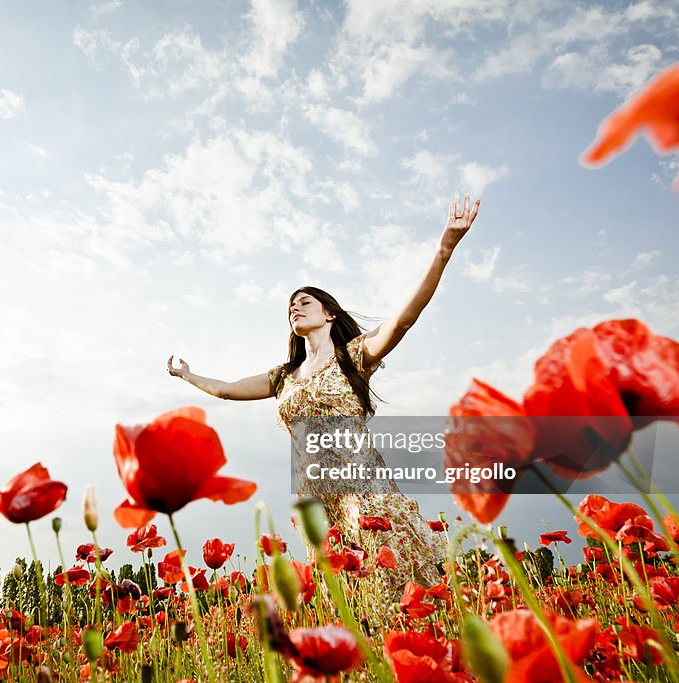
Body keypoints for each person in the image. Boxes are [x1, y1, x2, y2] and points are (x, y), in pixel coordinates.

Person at [167, 194, 481, 590]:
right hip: (319, 504)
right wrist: (187, 375)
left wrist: (444, 249)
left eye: (305, 302)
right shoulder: (283, 377)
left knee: (394, 589)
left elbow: (403, 320)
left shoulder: (354, 356)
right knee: (353, 603)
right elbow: (227, 391)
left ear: (329, 313)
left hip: (366, 495)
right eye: (290, 307)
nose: (295, 308)